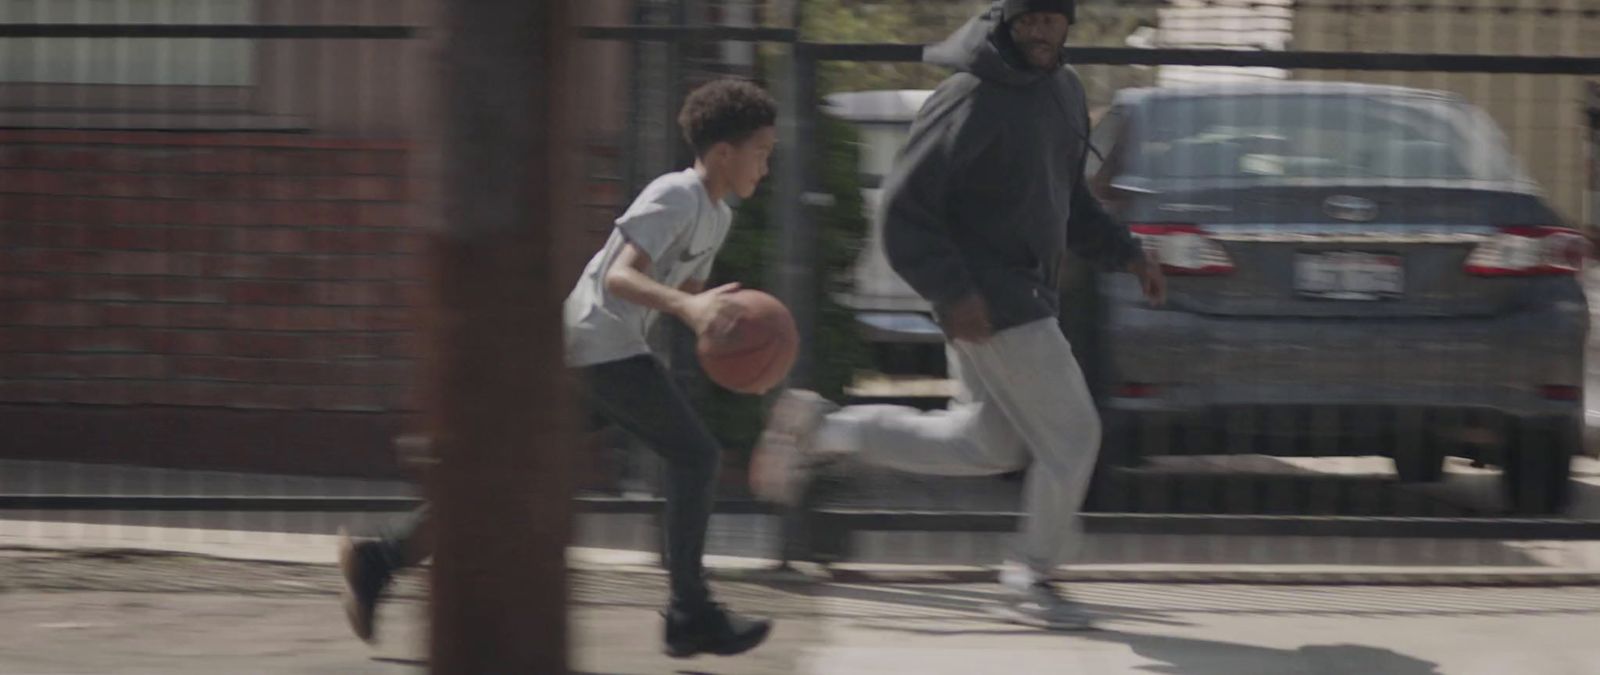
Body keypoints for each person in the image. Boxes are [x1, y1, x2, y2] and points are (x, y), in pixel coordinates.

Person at [749, 0, 1165, 631]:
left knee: (985, 441)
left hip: (1011, 299)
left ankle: (825, 430)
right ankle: (1032, 574)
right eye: (1027, 19)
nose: (1039, 30)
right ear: (1004, 21)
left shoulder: (1064, 91)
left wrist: (1128, 252)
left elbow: (1069, 199)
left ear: (1066, 24)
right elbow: (903, 209)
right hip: (995, 302)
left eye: (1051, 19)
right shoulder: (970, 94)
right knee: (1074, 436)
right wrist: (953, 293)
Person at [338, 78, 780, 658]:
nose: (766, 168)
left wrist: (714, 317)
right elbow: (622, 275)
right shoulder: (675, 193)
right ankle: (689, 611)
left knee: (505, 476)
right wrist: (689, 306)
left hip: (590, 351)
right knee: (695, 454)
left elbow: (683, 288)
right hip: (601, 344)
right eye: (762, 153)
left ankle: (379, 559)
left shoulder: (716, 216)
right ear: (724, 152)